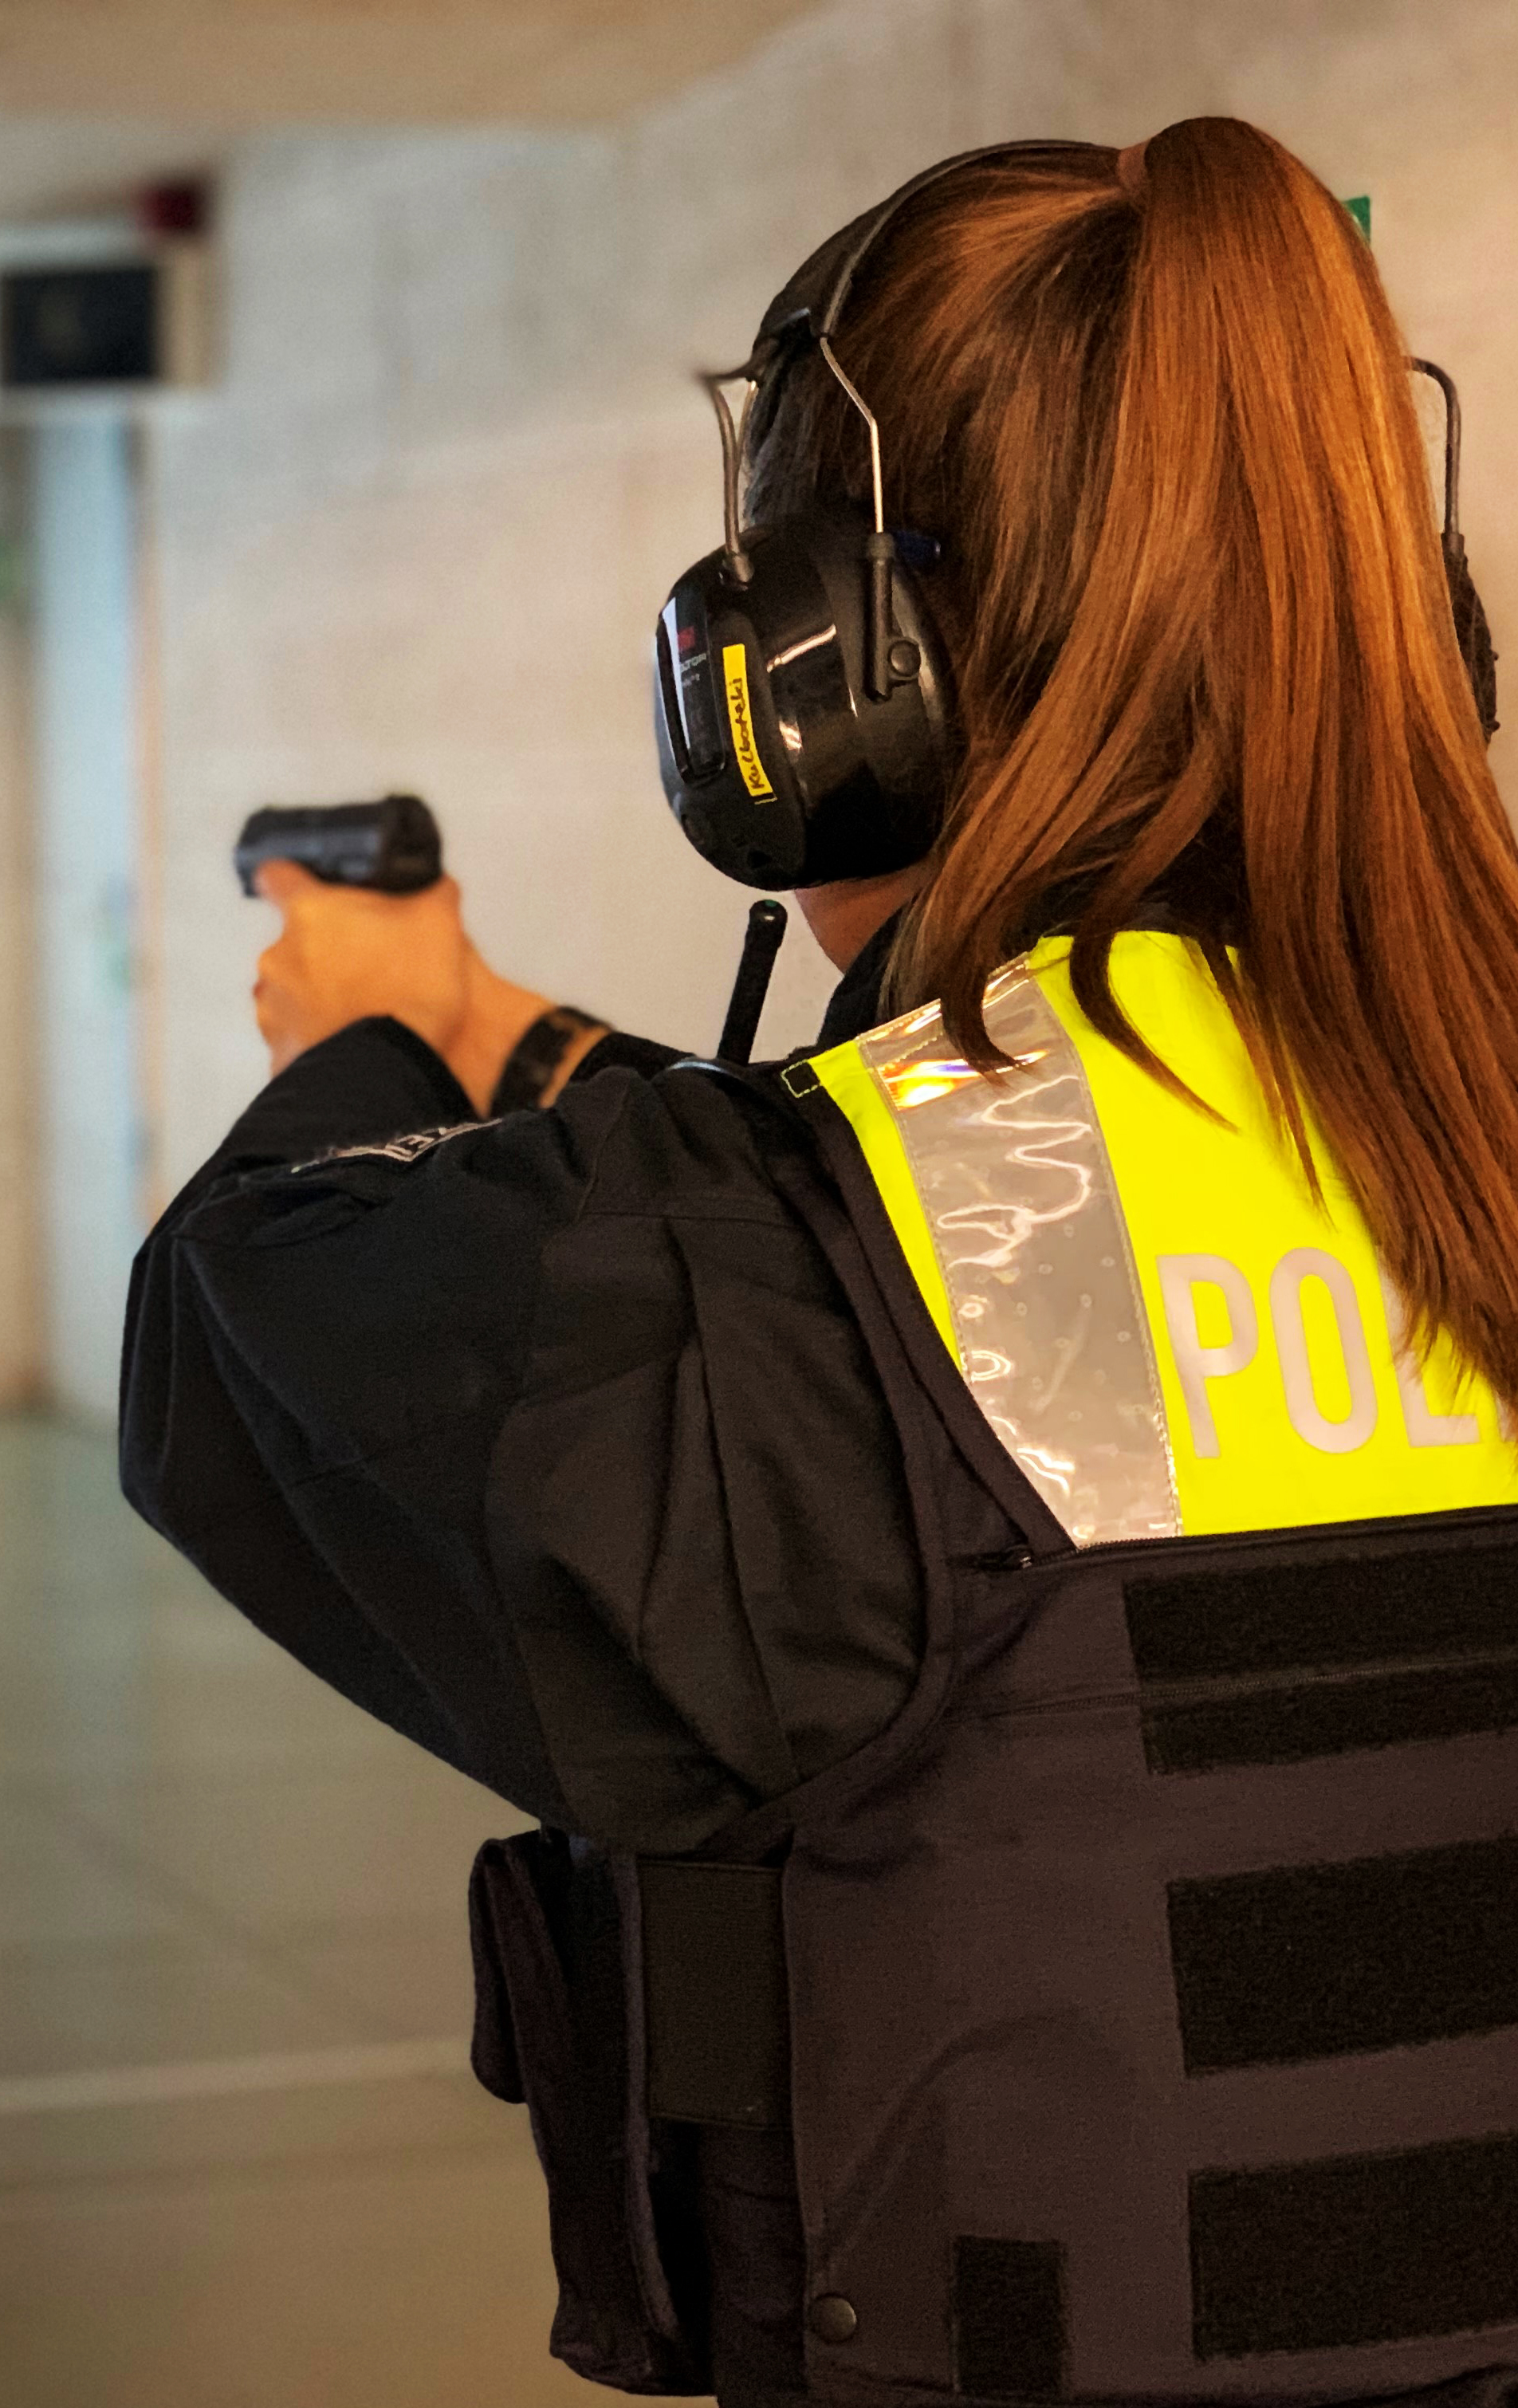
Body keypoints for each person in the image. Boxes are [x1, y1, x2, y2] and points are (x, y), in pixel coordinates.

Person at [121, 120, 1518, 2408]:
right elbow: (987, 1231)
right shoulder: (1443, 1102)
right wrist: (508, 1036)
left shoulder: (767, 1265)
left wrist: (372, 1035)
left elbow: (235, 1335)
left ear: (824, 690)